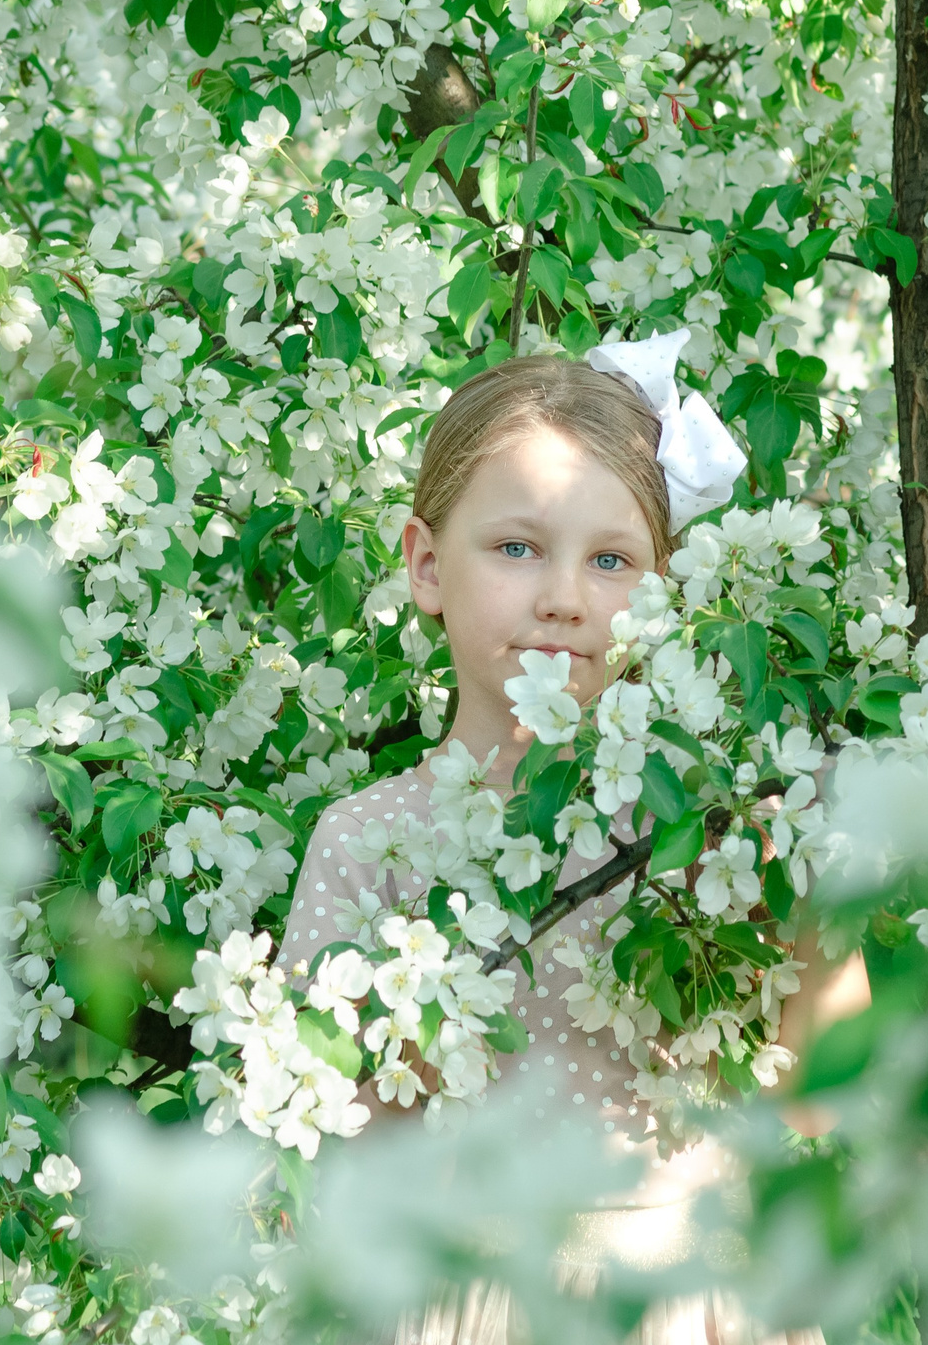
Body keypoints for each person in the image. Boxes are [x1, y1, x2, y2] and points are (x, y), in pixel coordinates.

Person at [284, 339, 870, 1345]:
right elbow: (336, 1177)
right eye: (516, 547)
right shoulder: (371, 842)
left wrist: (815, 923)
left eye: (611, 560)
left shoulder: (709, 833)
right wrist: (398, 1066)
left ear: (664, 588)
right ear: (426, 565)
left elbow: (824, 1113)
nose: (563, 596)